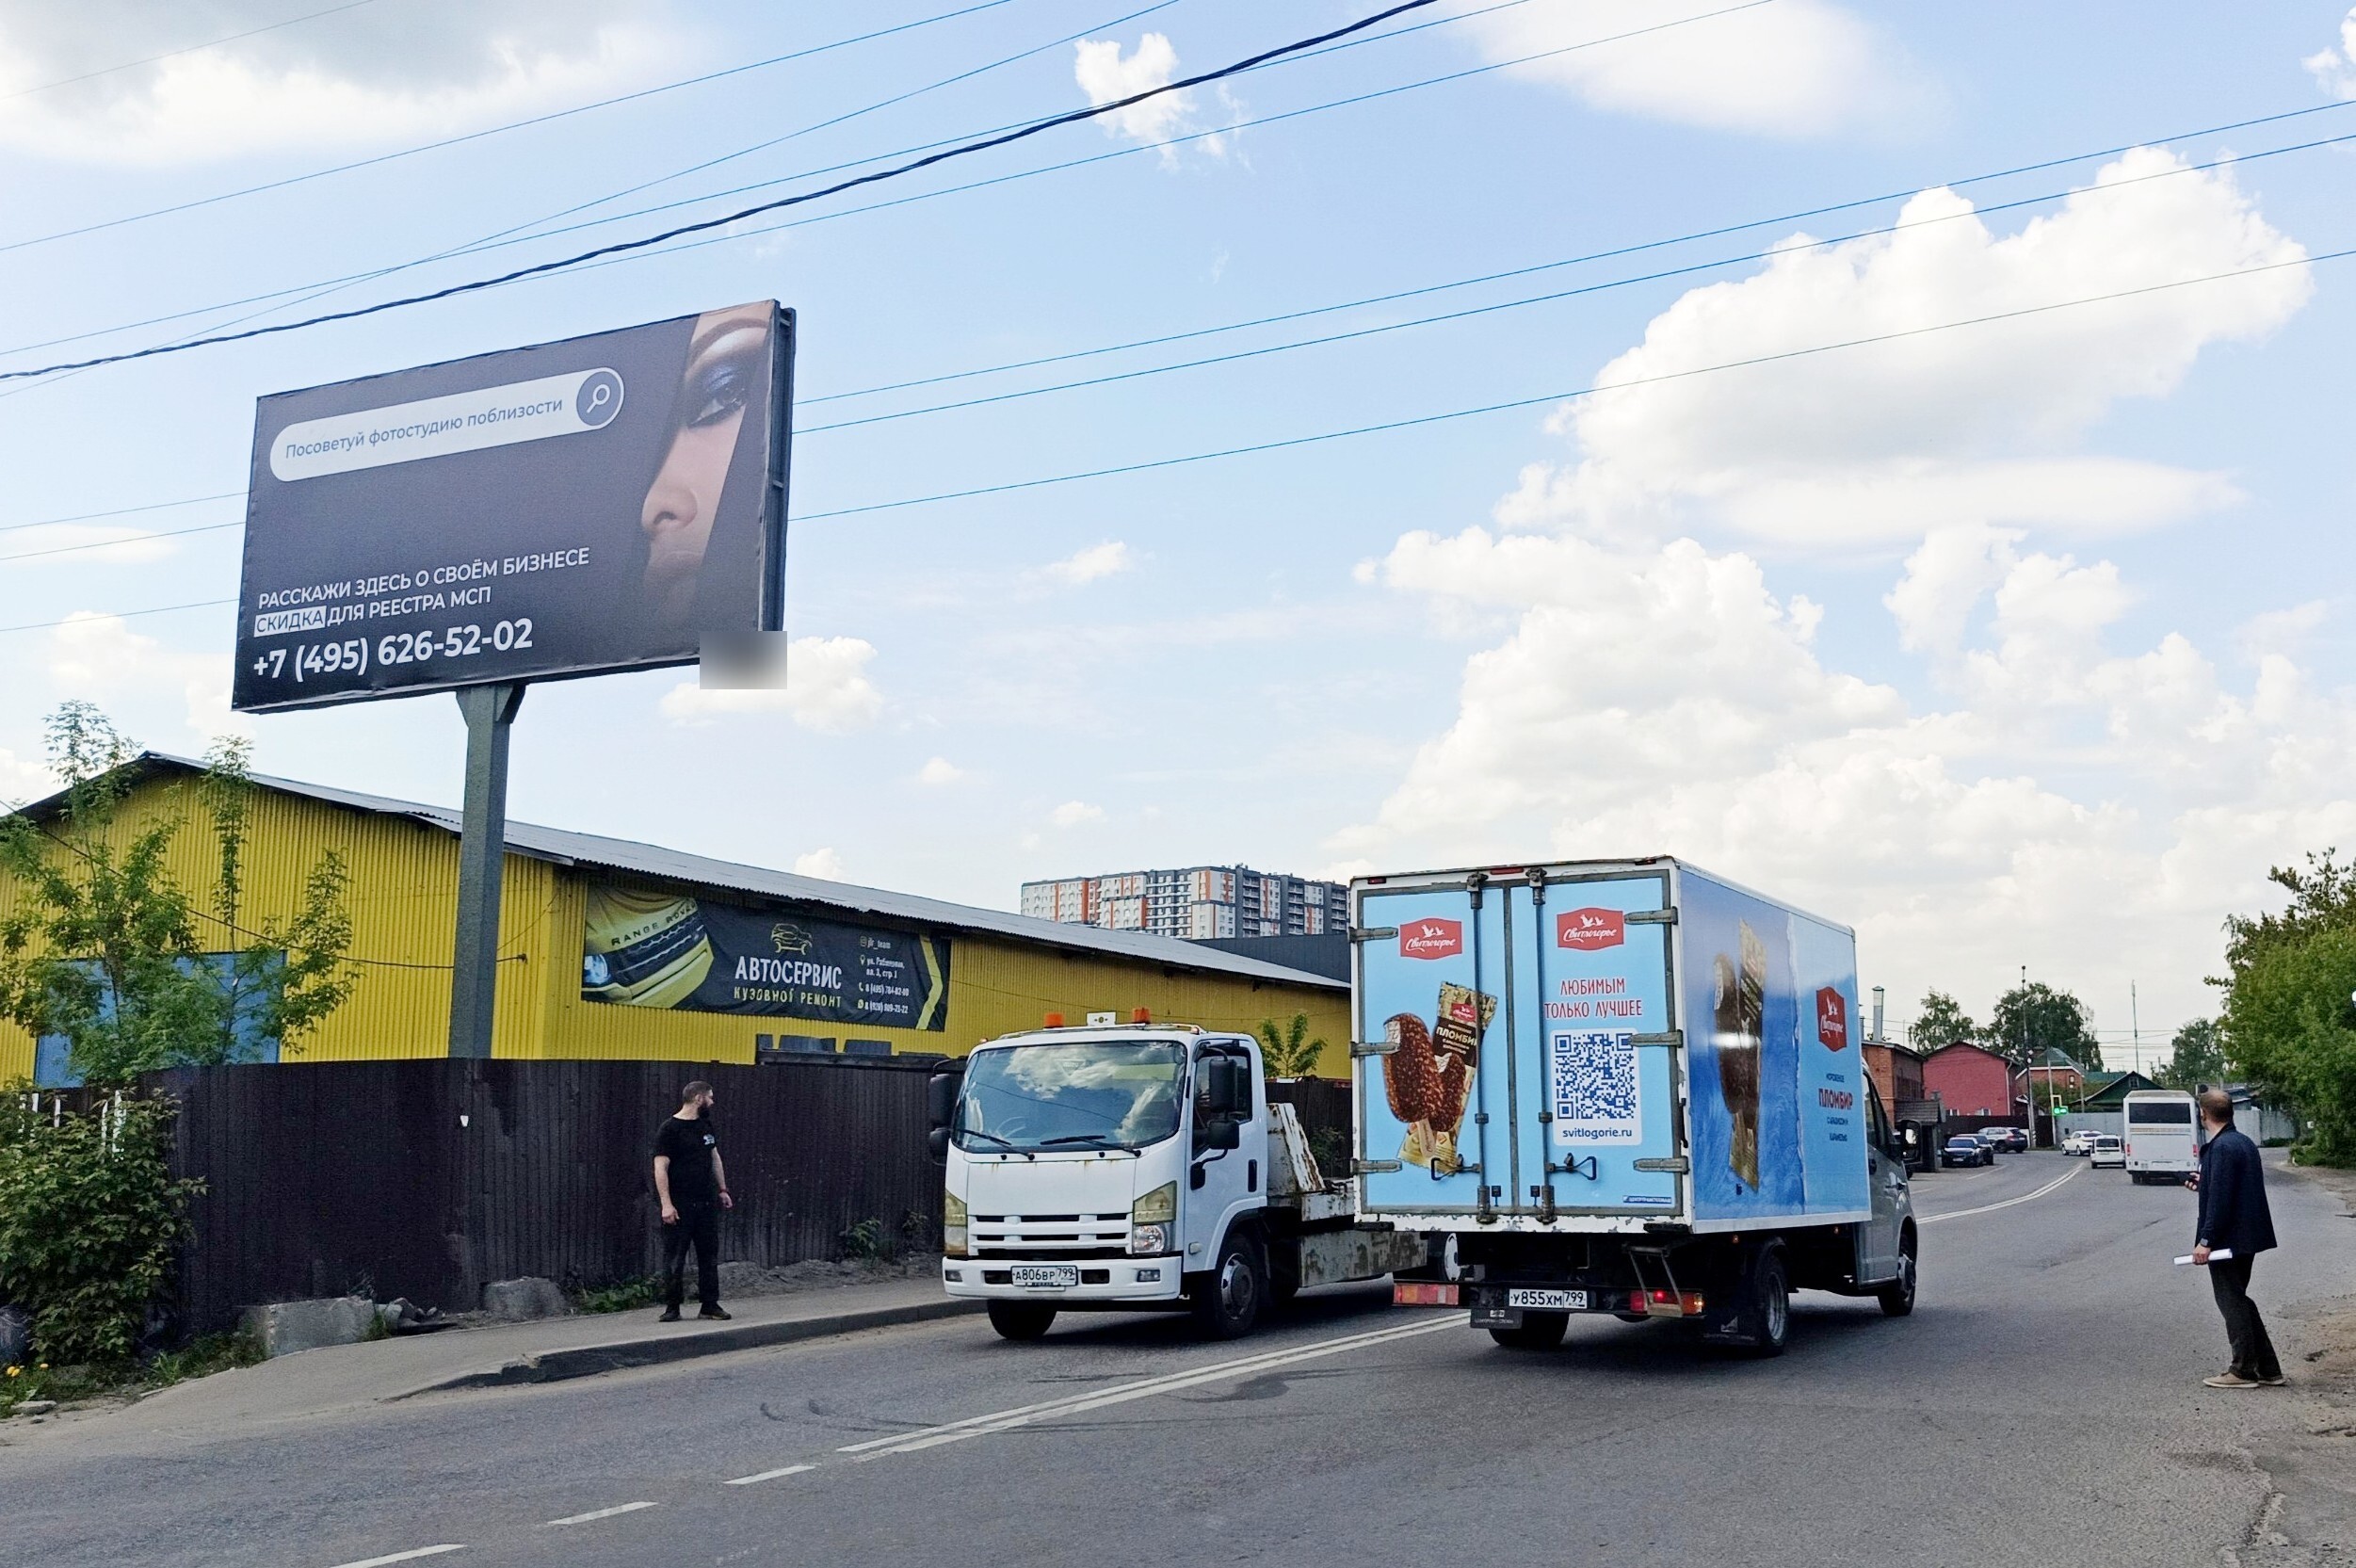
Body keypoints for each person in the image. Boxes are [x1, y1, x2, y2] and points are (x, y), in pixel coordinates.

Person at [2188, 1088, 2281, 1388]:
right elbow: (2232, 1188)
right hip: (2247, 1238)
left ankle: (2242, 1370)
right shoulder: (2242, 1142)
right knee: (2239, 1299)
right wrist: (2204, 1183)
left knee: (2231, 1301)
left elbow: (2221, 1202)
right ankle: (2268, 1369)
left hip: (2227, 1241)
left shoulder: (2221, 1148)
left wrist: (2206, 1241)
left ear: (2203, 1114)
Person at [653, 1080, 734, 1322]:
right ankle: (672, 1307)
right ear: (698, 1098)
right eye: (710, 1097)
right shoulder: (669, 1129)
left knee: (709, 1254)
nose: (712, 1101)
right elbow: (660, 1167)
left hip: (706, 1201)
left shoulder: (705, 1125)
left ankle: (709, 1305)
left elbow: (714, 1157)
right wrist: (666, 1204)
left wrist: (722, 1189)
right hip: (680, 1203)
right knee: (675, 1256)